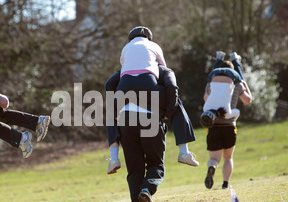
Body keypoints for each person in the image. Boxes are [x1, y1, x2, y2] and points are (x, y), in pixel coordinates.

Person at [105, 26, 198, 174]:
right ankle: (184, 152)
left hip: (124, 87)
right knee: (176, 100)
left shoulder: (126, 48)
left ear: (130, 38)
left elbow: (112, 81)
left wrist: (113, 110)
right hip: (148, 84)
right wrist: (169, 108)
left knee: (110, 116)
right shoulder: (153, 46)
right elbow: (163, 69)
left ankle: (113, 158)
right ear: (149, 37)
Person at [203, 51, 252, 189]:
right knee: (228, 158)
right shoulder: (237, 85)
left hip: (213, 125)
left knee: (214, 158)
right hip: (229, 126)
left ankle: (212, 168)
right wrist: (244, 83)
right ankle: (225, 184)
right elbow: (248, 101)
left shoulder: (212, 84)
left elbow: (205, 99)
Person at [117, 97, 167, 202]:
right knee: (156, 164)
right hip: (150, 115)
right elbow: (171, 89)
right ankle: (146, 190)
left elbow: (109, 86)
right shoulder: (159, 75)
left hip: (126, 117)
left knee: (134, 169)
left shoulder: (121, 76)